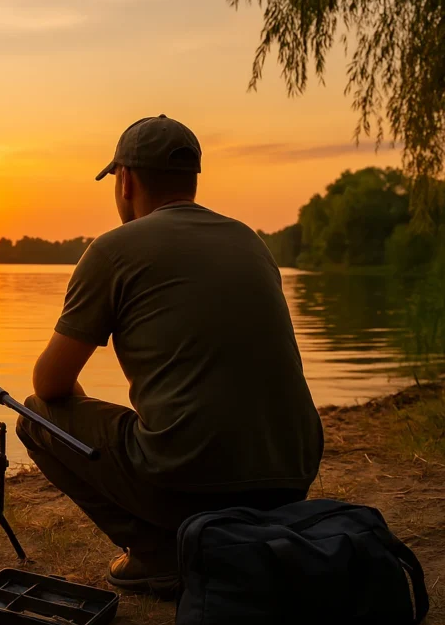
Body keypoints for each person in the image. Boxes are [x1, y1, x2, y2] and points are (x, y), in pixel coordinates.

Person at [16, 115, 324, 596]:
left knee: (36, 417)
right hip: (291, 477)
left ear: (125, 179)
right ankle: (207, 537)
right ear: (192, 180)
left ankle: (159, 555)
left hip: (195, 486)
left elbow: (49, 386)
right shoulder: (250, 241)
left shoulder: (111, 251)